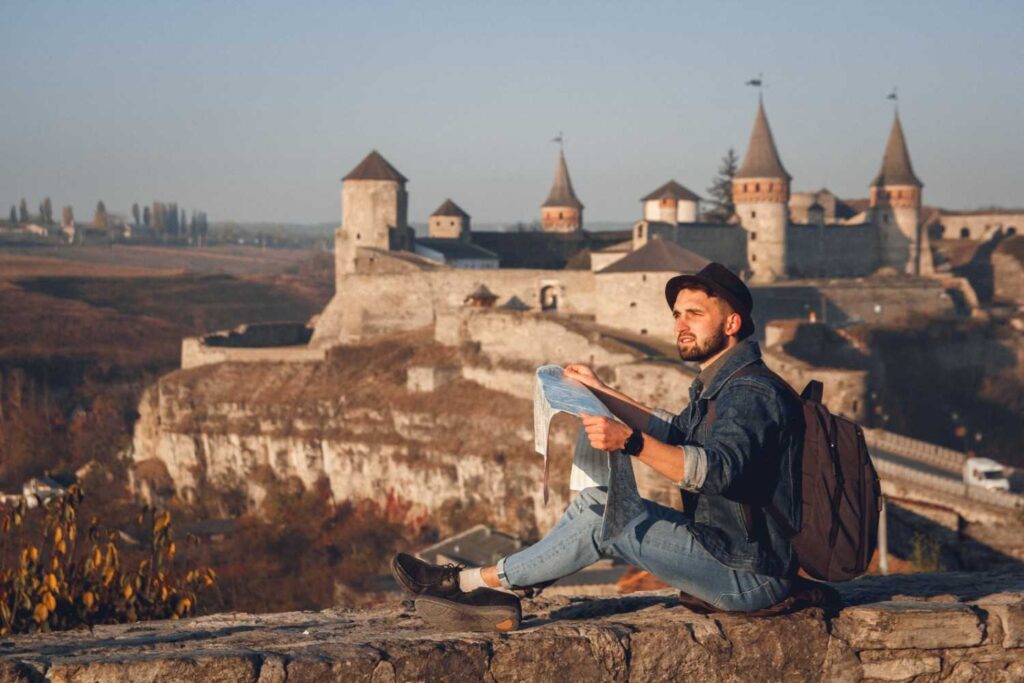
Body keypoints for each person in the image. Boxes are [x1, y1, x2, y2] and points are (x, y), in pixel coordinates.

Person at [392, 262, 803, 631]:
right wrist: (601, 391)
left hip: (750, 575)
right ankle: (499, 595)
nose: (681, 324)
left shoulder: (750, 391)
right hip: (726, 550)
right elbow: (676, 432)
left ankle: (463, 584)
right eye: (677, 315)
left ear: (731, 324)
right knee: (597, 503)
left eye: (695, 314)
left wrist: (630, 441)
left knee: (605, 522)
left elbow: (716, 470)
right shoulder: (722, 385)